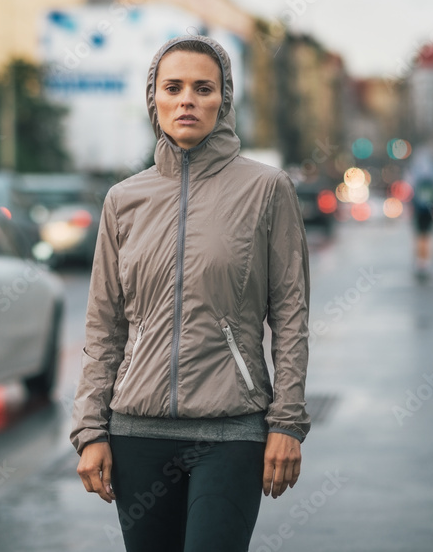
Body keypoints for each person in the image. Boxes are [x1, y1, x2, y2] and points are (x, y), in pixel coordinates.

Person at [69, 35, 311, 551]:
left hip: (233, 430)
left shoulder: (267, 190)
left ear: (224, 101)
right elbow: (104, 325)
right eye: (172, 87)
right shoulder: (124, 199)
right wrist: (90, 429)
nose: (187, 100)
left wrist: (287, 421)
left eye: (204, 88)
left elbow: (290, 315)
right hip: (136, 433)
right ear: (153, 99)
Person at [411, 174, 433, 278]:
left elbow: (413, 198)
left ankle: (420, 262)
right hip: (429, 212)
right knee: (428, 237)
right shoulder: (432, 182)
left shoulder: (418, 182)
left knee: (419, 237)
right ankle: (426, 262)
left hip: (419, 213)